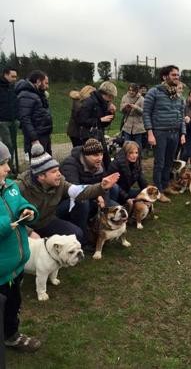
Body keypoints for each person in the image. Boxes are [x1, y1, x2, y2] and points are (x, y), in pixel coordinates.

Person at [17, 143, 115, 247]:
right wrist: (29, 232)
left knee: (77, 235)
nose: (59, 174)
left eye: (58, 169)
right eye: (54, 171)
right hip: (25, 227)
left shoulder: (60, 183)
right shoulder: (20, 188)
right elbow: (10, 216)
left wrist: (101, 187)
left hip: (48, 221)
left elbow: (79, 191)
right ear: (41, 176)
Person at [0, 141, 41, 352]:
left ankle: (11, 335)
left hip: (15, 268)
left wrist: (28, 210)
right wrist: (7, 224)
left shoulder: (11, 187)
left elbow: (22, 203)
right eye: (2, 164)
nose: (8, 168)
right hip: (0, 272)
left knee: (13, 305)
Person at [144, 65, 186, 202]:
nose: (177, 77)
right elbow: (146, 114)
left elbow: (181, 115)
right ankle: (158, 190)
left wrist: (183, 133)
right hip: (159, 133)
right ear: (165, 76)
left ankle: (166, 185)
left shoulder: (179, 95)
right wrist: (150, 133)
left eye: (178, 75)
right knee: (160, 163)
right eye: (174, 75)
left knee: (169, 162)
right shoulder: (154, 92)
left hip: (175, 133)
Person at [16, 70, 53, 155]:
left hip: (44, 135)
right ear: (38, 81)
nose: (47, 86)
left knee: (48, 163)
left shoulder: (38, 94)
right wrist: (34, 139)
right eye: (46, 83)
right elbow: (25, 119)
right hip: (37, 137)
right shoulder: (26, 95)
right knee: (39, 163)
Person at [107, 141, 147, 205]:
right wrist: (127, 198)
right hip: (115, 194)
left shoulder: (136, 163)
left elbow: (142, 180)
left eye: (136, 153)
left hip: (126, 191)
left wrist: (148, 192)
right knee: (115, 187)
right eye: (131, 153)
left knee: (144, 193)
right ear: (125, 153)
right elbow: (113, 186)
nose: (134, 155)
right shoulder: (116, 164)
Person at [0, 68, 18, 165]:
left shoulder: (13, 87)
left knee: (13, 144)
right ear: (5, 75)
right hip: (3, 121)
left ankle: (11, 166)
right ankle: (7, 166)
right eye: (12, 76)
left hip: (13, 120)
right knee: (7, 144)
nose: (15, 78)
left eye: (16, 76)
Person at [120, 83, 146, 148]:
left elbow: (144, 112)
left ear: (136, 91)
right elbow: (121, 110)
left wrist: (136, 107)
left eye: (133, 91)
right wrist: (125, 107)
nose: (131, 92)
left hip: (138, 126)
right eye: (130, 90)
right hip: (127, 125)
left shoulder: (141, 99)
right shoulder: (124, 97)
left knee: (138, 144)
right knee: (127, 143)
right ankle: (125, 157)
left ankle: (138, 157)